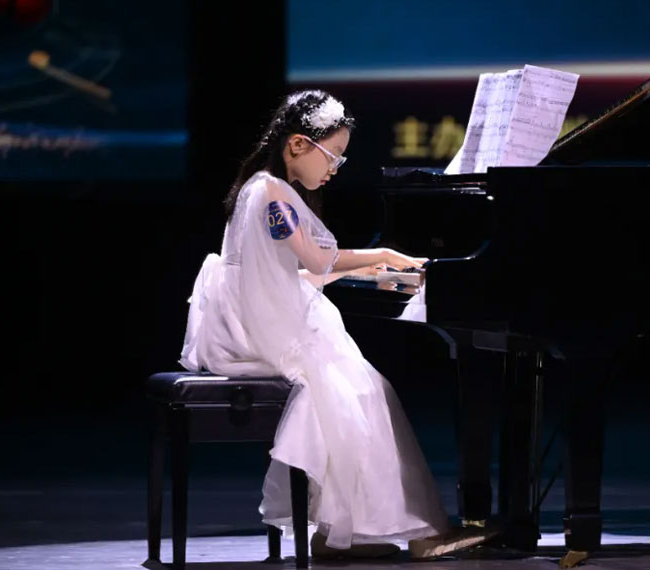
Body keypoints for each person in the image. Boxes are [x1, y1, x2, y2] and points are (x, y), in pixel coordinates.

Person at [179, 90, 490, 559]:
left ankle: (338, 532)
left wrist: (368, 274)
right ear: (297, 145)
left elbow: (291, 273)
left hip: (257, 324)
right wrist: (382, 254)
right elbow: (315, 259)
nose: (335, 169)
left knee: (366, 389)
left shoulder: (261, 189)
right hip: (262, 335)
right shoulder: (272, 195)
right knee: (365, 392)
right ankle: (408, 533)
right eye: (334, 155)